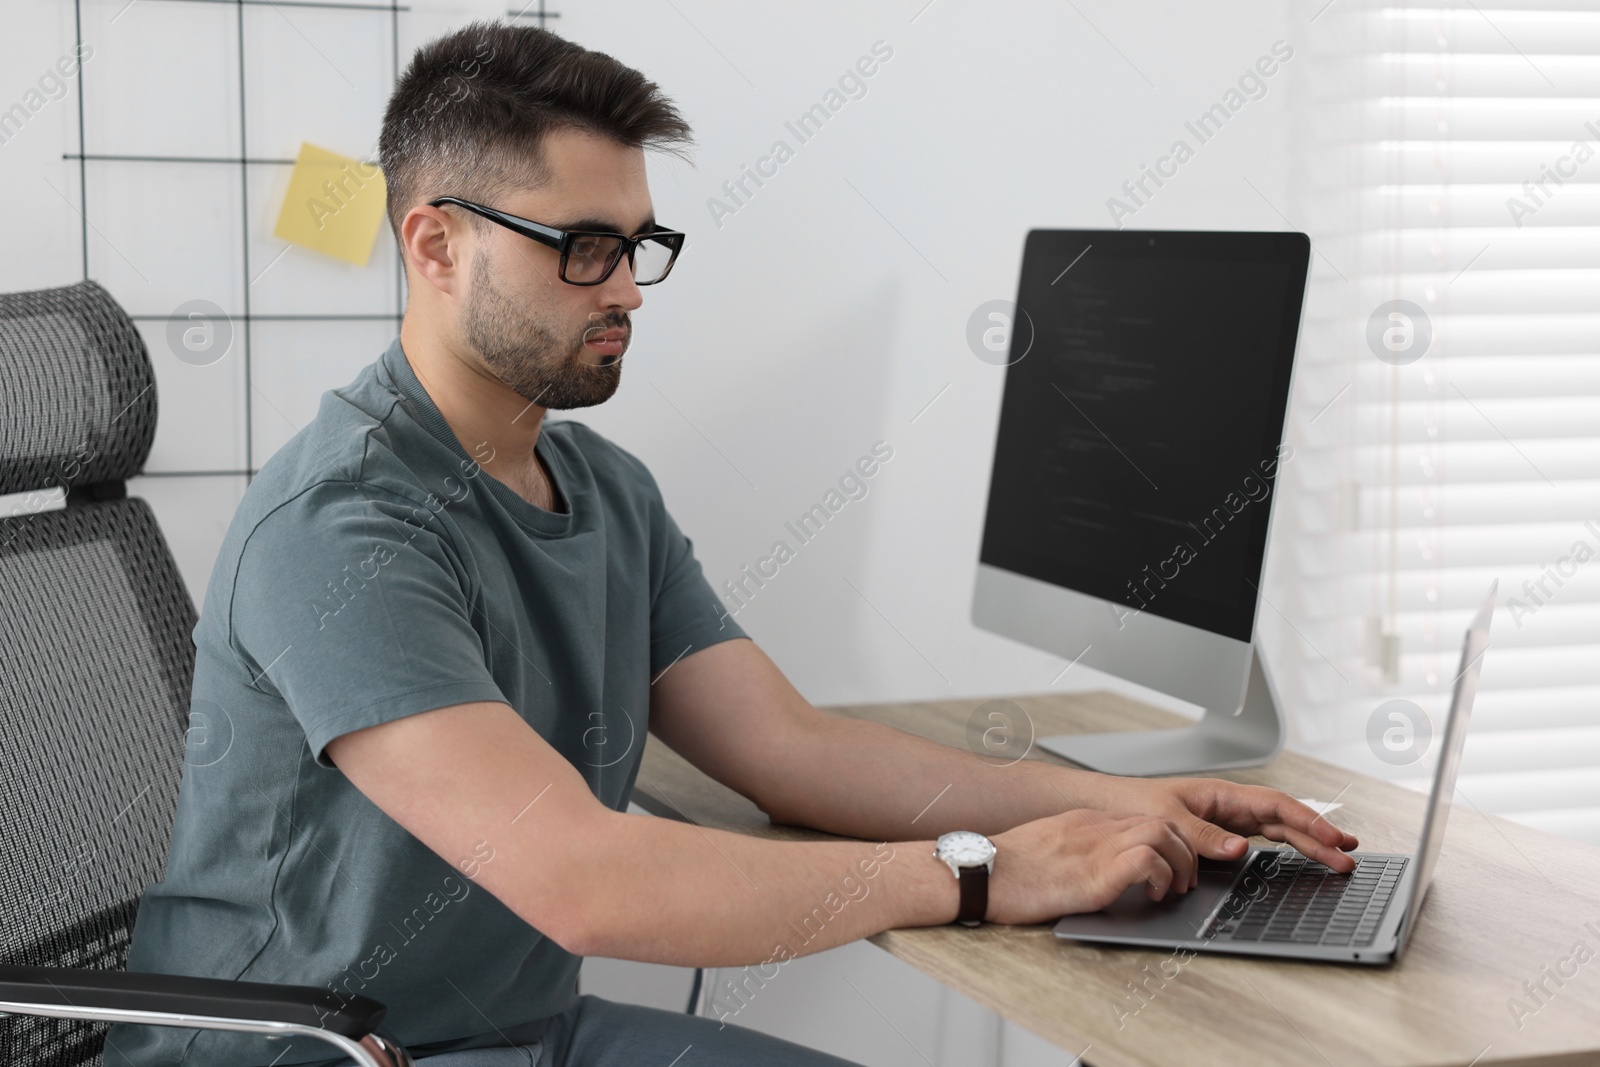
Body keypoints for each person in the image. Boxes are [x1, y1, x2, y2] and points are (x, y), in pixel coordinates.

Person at [106, 20, 1357, 1067]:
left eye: (638, 245)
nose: (628, 291)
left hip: (519, 1031)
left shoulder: (602, 487)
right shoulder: (340, 528)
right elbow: (584, 880)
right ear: (436, 243)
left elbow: (790, 750)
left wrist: (1123, 801)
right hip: (319, 1050)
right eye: (584, 247)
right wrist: (981, 872)